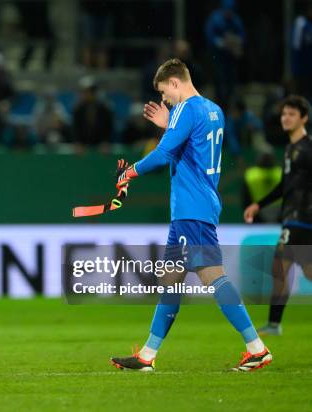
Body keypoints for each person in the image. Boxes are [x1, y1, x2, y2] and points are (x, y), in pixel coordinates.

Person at [111, 58, 271, 372]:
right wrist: (169, 124)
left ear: (175, 82)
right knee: (170, 279)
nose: (164, 100)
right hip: (200, 203)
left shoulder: (185, 109)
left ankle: (257, 348)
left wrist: (131, 171)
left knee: (213, 275)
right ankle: (147, 355)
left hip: (191, 207)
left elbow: (164, 153)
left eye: (164, 92)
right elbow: (189, 145)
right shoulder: (214, 110)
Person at [243, 95, 312, 336]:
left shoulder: (308, 148)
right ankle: (274, 324)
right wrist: (258, 205)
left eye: (292, 114)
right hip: (294, 218)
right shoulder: (290, 149)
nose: (286, 118)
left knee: (279, 266)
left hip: (302, 218)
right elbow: (284, 185)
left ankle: (274, 324)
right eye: (284, 114)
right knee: (305, 271)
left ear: (304, 118)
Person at [205, 0, 245, 109]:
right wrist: (221, 43)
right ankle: (219, 105)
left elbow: (242, 36)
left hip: (230, 58)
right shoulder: (215, 18)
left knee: (231, 82)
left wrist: (236, 43)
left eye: (231, 11)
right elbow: (209, 36)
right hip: (218, 56)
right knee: (219, 81)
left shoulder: (236, 20)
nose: (229, 13)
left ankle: (229, 105)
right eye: (227, 11)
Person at [72, 76, 113, 151]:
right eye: (83, 92)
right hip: (83, 148)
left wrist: (106, 142)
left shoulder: (105, 109)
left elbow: (109, 128)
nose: (84, 94)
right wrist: (78, 143)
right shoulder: (78, 110)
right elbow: (76, 129)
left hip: (101, 147)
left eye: (87, 92)